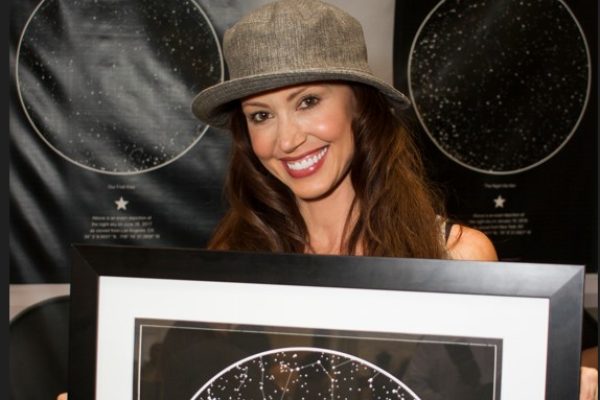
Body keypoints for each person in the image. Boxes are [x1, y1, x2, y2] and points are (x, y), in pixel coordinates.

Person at [58, 0, 597, 399]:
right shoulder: (232, 256)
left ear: (362, 109)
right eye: (261, 115)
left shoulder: (455, 256)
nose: (286, 139)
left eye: (308, 101)